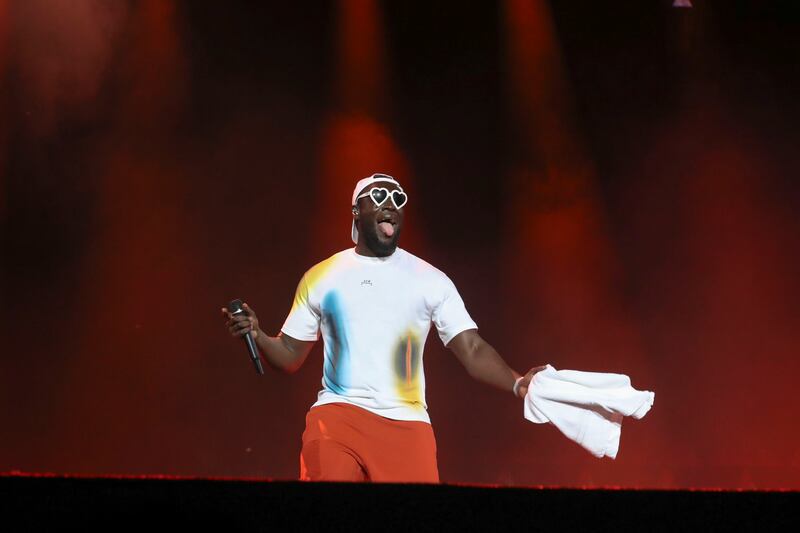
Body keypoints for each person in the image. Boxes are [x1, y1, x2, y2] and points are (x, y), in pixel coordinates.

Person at [223, 173, 543, 482]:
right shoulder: (322, 276)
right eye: (378, 196)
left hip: (407, 423)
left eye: (397, 199)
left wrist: (517, 383)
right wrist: (258, 336)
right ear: (356, 212)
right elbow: (290, 355)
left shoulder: (430, 279)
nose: (389, 204)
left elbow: (471, 349)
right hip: (337, 417)